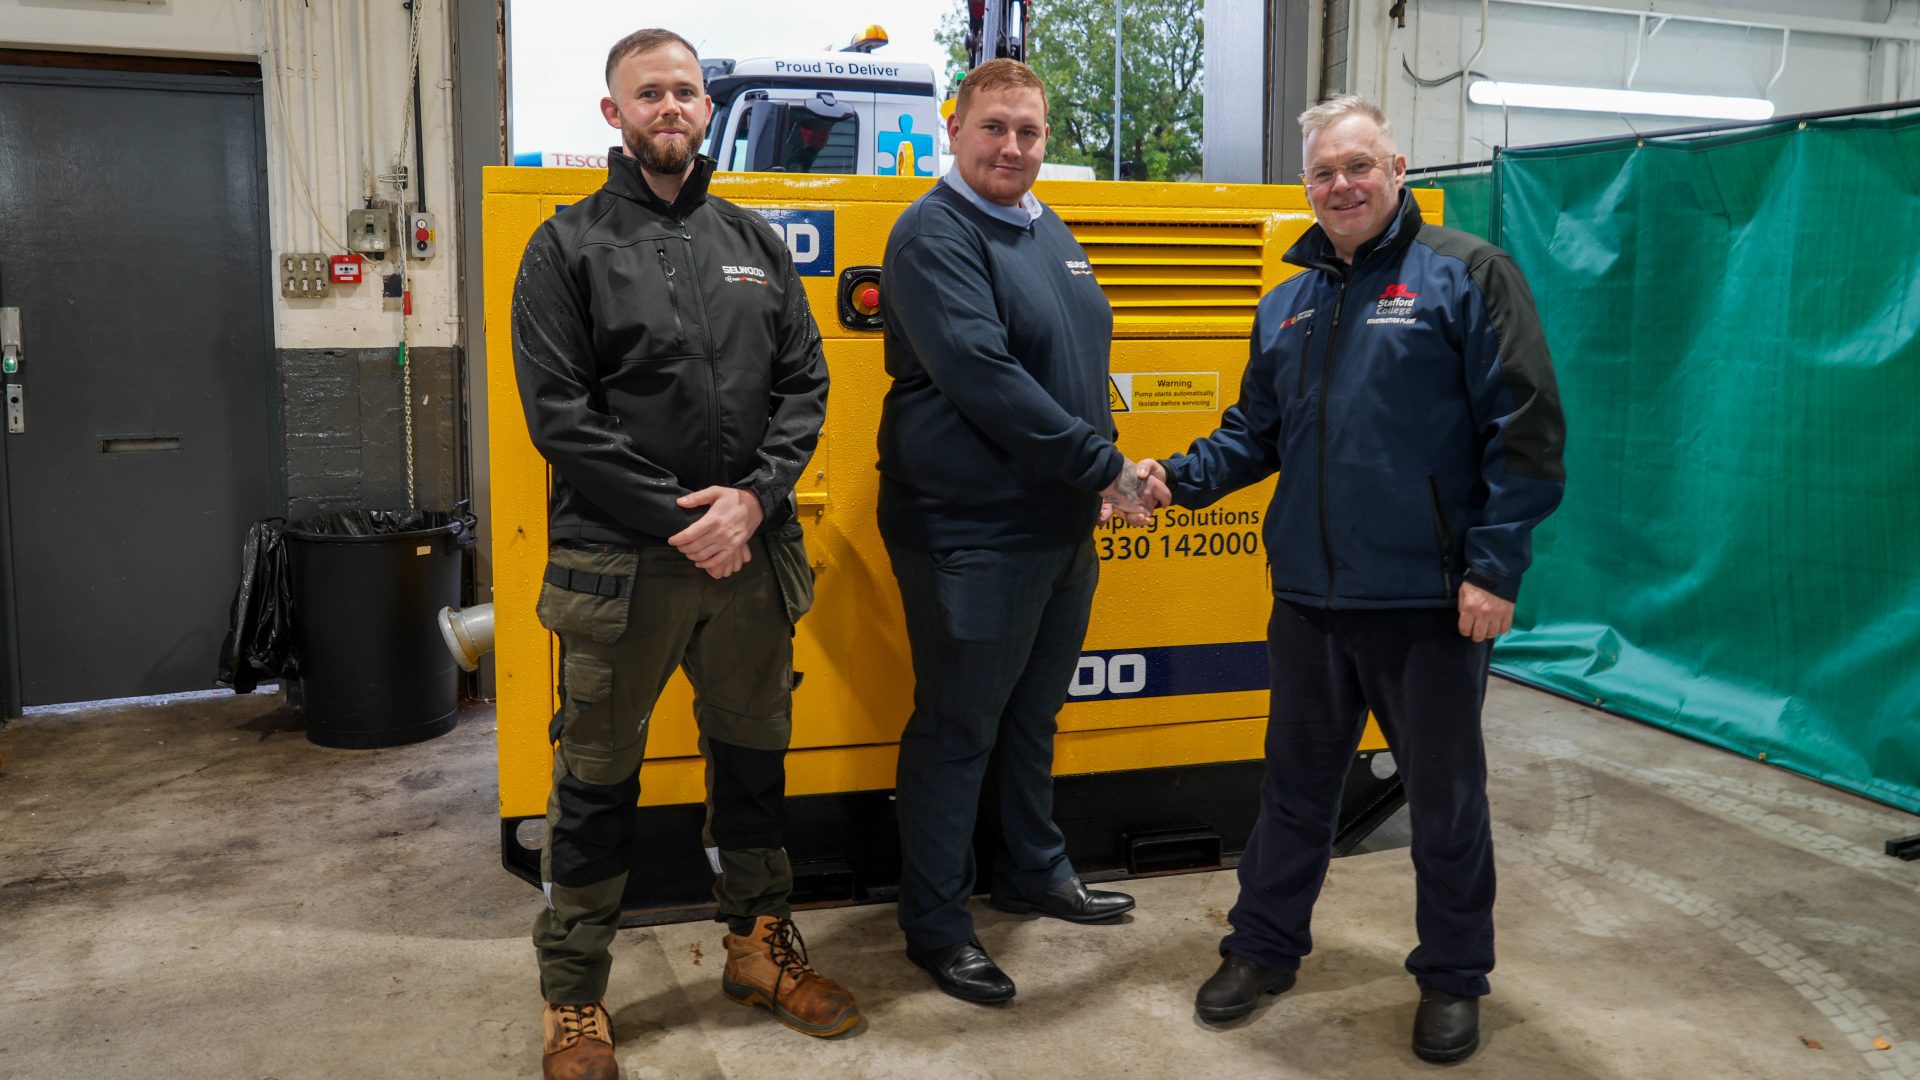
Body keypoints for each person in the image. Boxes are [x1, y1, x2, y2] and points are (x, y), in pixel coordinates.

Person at [1138, 94, 1565, 1064]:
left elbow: (1527, 427)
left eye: (1359, 166)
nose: (1343, 185)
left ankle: (1454, 976)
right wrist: (1175, 480)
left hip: (1430, 604)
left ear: (1398, 168)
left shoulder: (1467, 276)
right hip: (1312, 603)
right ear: (1307, 186)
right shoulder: (1287, 302)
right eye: (1326, 172)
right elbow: (1257, 435)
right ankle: (1263, 949)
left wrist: (1495, 569)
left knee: (1446, 805)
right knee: (1293, 793)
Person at [510, 28, 858, 1080]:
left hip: (749, 563)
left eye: (687, 92)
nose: (672, 106)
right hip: (623, 569)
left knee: (752, 764)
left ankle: (757, 949)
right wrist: (681, 517)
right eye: (648, 92)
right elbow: (559, 416)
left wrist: (752, 503)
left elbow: (806, 386)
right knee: (595, 780)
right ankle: (575, 998)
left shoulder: (754, 241)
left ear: (708, 111)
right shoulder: (565, 245)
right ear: (612, 113)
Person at [874, 58, 1160, 1005]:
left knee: (1033, 712)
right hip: (971, 530)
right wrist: (1107, 468)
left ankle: (1033, 870)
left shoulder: (1047, 226)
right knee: (959, 726)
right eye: (994, 127)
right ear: (953, 130)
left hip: (1058, 521)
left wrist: (1098, 476)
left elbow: (1075, 361)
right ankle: (938, 923)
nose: (1012, 147)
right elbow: (988, 380)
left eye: (1029, 132)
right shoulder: (932, 235)